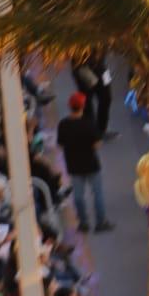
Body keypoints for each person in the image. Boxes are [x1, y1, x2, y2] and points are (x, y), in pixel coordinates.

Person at [56, 91, 112, 233]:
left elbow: (60, 145)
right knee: (97, 194)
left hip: (74, 165)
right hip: (91, 164)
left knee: (78, 197)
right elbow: (97, 144)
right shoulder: (89, 124)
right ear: (82, 106)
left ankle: (83, 223)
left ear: (70, 107)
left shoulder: (63, 124)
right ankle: (101, 222)